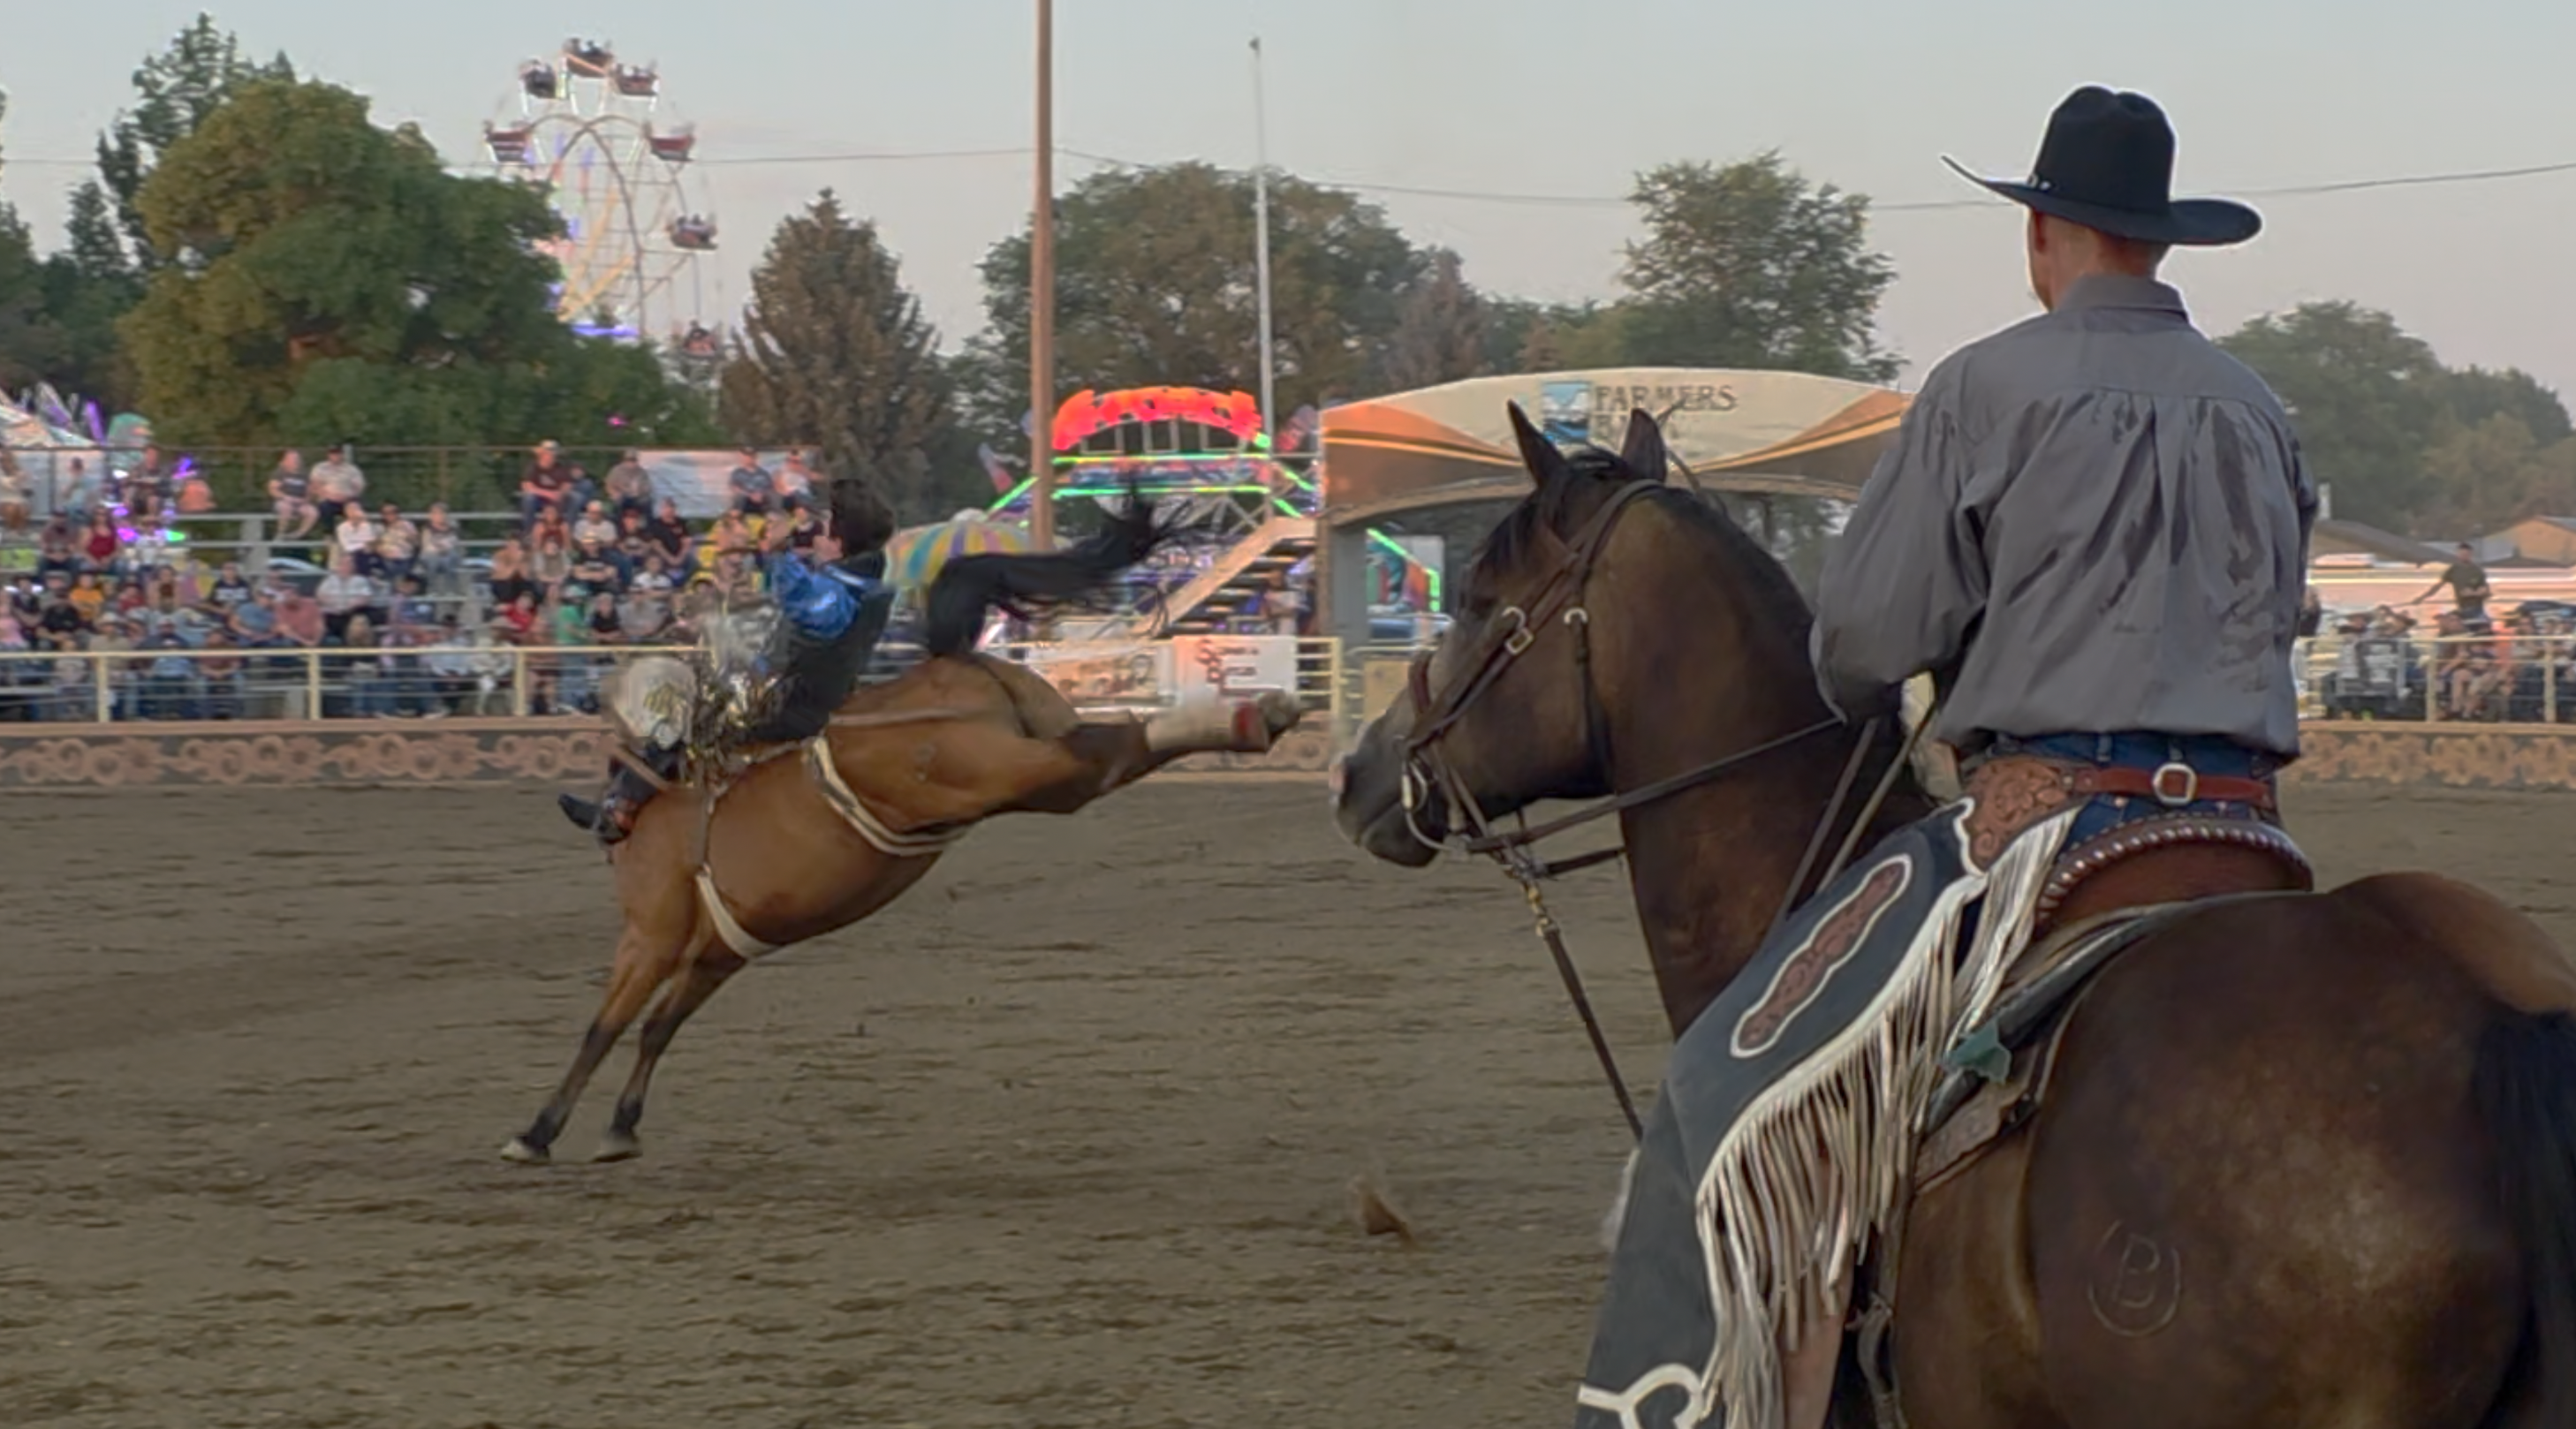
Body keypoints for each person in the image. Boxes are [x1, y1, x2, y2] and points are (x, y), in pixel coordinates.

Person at [1577, 87, 2314, 1429]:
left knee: (1721, 1087)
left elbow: (1864, 639)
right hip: (2247, 830)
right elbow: (2286, 611)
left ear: (2042, 232)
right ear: (2162, 238)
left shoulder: (1983, 388)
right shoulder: (2260, 407)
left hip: (2048, 827)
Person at [557, 476, 898, 843]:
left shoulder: (836, 596)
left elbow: (801, 601)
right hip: (801, 694)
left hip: (785, 704)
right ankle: (629, 785)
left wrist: (778, 552)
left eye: (825, 528)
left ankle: (619, 811)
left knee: (677, 707)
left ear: (839, 544)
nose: (815, 533)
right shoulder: (866, 587)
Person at [2414, 541, 2491, 629]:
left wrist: (2473, 594)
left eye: (2466, 554)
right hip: (2462, 608)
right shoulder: (2454, 569)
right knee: (2452, 623)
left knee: (2481, 626)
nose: (2463, 556)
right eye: (2461, 554)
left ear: (2471, 554)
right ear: (2458, 554)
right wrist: (2421, 598)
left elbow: (2487, 592)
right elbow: (2438, 586)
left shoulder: (2477, 570)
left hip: (2477, 609)